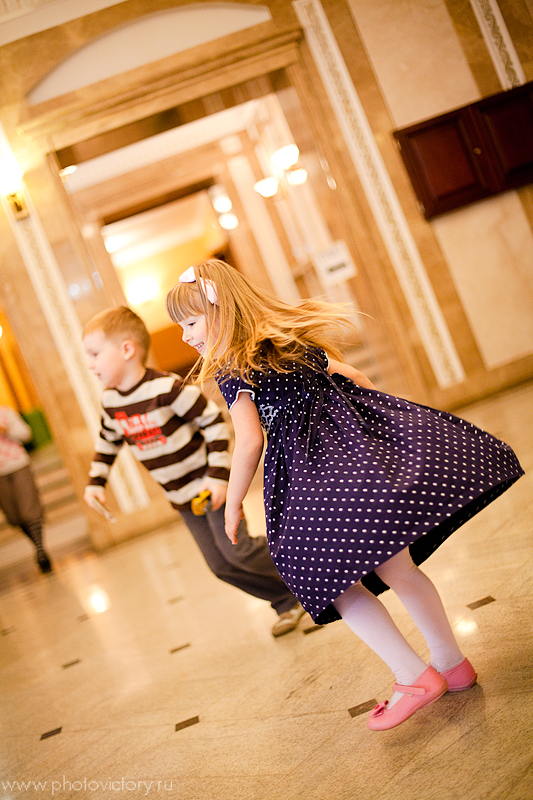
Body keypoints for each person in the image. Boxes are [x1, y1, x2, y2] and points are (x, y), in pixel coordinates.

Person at [165, 259, 524, 731]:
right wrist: (379, 434)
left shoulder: (234, 369)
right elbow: (358, 379)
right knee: (400, 569)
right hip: (357, 463)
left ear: (220, 309)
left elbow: (250, 441)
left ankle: (413, 678)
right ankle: (451, 664)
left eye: (191, 324)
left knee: (331, 583)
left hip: (311, 478)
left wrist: (233, 505)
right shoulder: (290, 340)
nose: (186, 337)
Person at [82, 307, 305, 637]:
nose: (90, 364)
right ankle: (286, 600)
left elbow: (215, 424)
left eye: (94, 354)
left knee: (239, 551)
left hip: (209, 486)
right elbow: (108, 441)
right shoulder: (111, 402)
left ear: (127, 349)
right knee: (220, 565)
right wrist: (95, 482)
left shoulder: (168, 388)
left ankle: (313, 574)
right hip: (182, 498)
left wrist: (217, 478)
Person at [0, 406, 52, 573]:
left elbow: (26, 434)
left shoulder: (5, 413)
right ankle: (38, 547)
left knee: (29, 510)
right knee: (14, 516)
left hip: (18, 465)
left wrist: (6, 430)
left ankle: (41, 551)